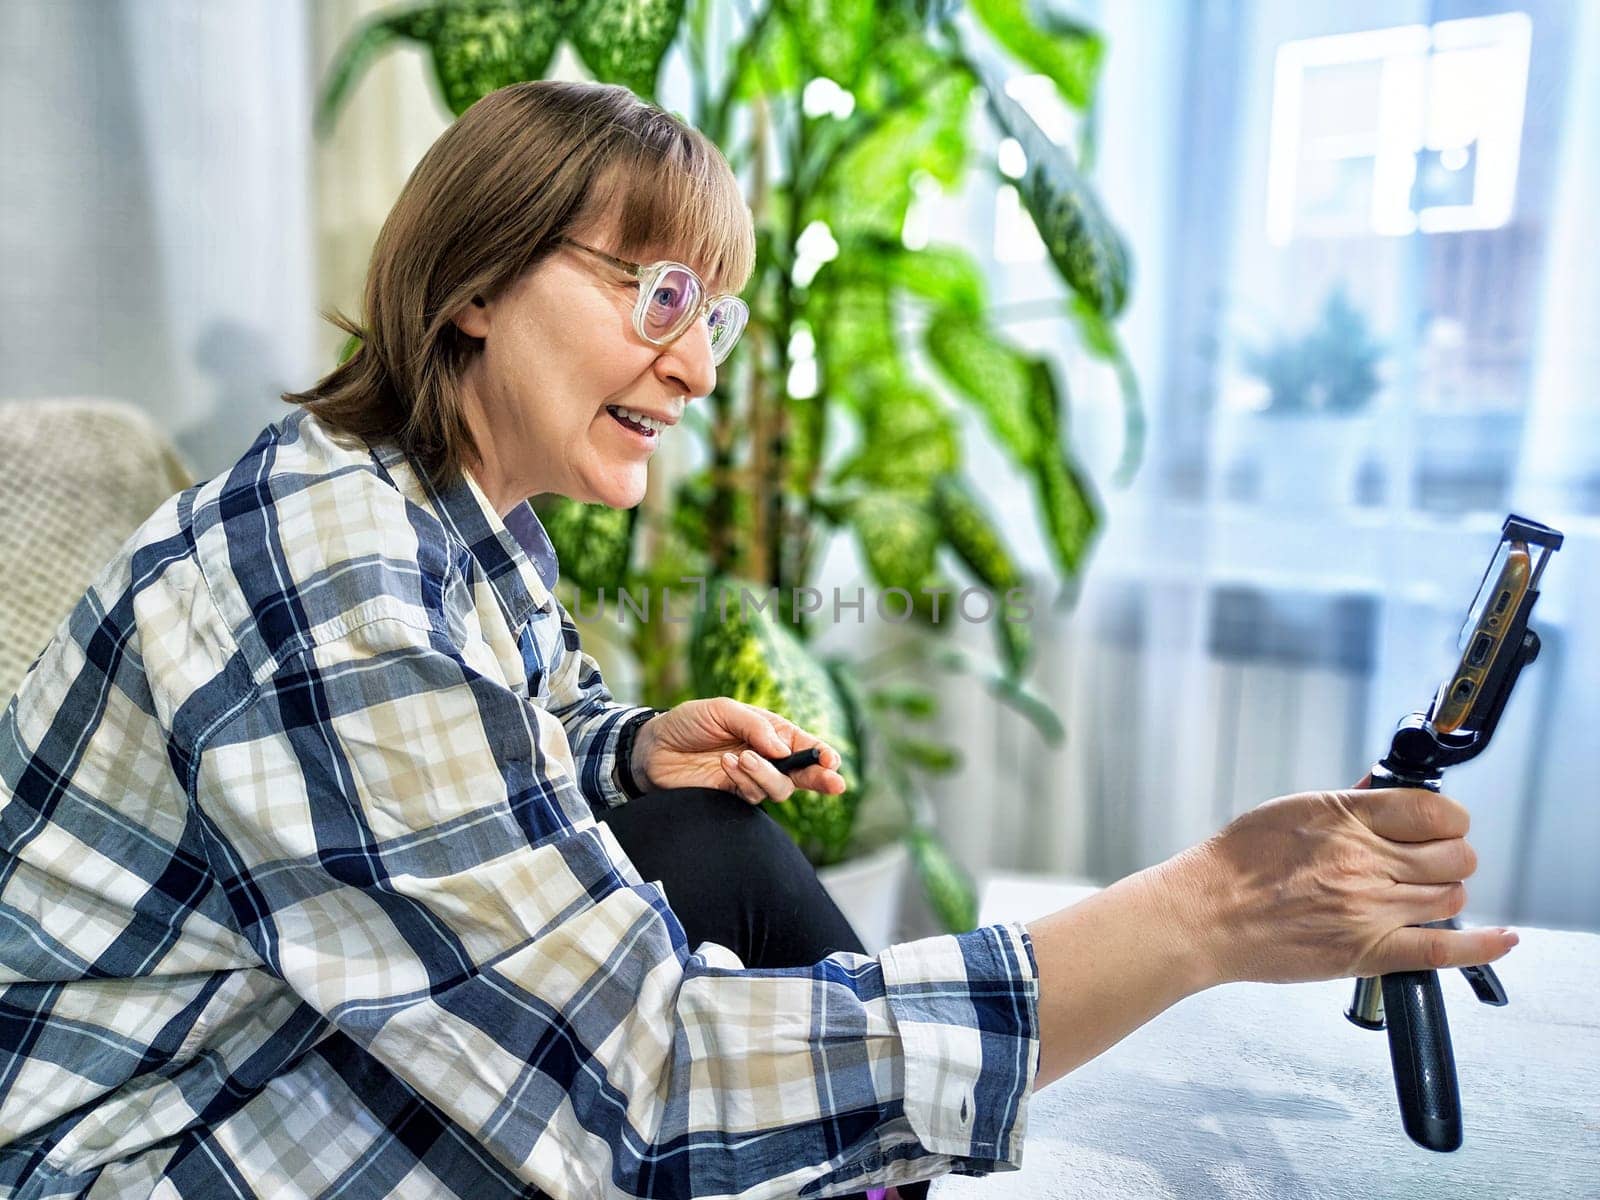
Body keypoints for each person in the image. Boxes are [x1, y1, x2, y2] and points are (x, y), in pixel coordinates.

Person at [0, 79, 1516, 1200]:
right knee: (698, 1097)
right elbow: (640, 1096)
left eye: (712, 316)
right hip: (150, 1132)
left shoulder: (454, 503)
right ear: (471, 286)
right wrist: (1200, 917)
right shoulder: (329, 585)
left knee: (713, 836)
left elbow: (483, 746)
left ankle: (876, 1179)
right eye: (658, 292)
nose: (696, 364)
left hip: (286, 1010)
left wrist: (626, 748)